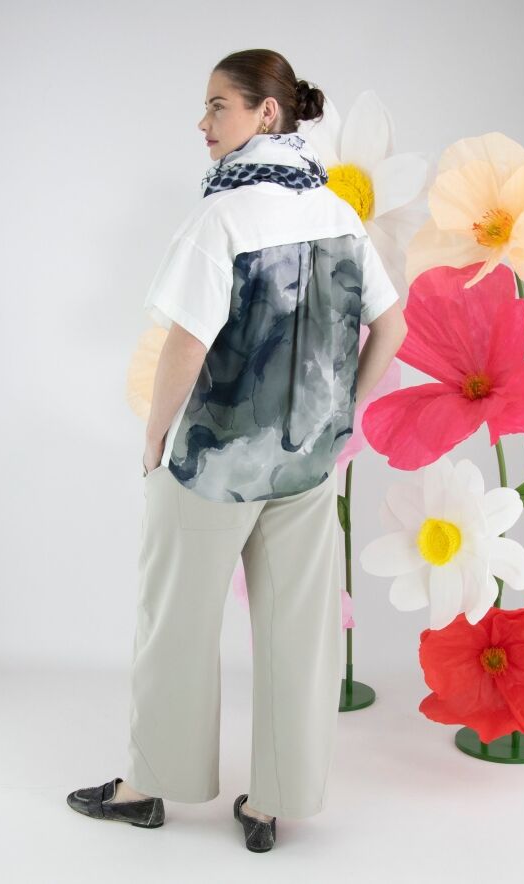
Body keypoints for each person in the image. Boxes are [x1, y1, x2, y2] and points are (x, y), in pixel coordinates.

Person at [67, 48, 407, 852]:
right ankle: (271, 804)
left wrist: (154, 437)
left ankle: (149, 788)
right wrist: (340, 415)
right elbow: (390, 327)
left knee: (175, 624)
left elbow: (185, 344)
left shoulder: (221, 217)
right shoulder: (337, 213)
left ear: (266, 112)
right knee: (299, 636)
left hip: (212, 464)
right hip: (306, 465)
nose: (203, 121)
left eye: (218, 104)